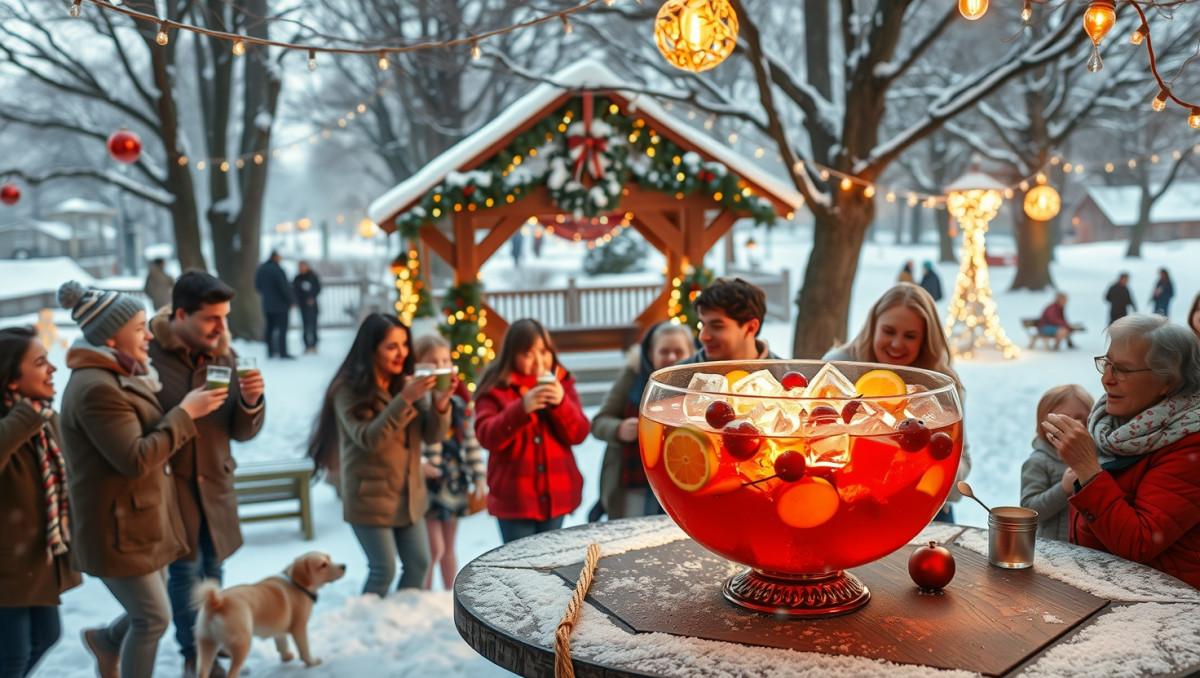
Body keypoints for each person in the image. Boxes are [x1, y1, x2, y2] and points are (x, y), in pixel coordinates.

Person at [56, 281, 225, 678]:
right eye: (138, 328)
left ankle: (106, 642)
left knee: (146, 610)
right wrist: (185, 413)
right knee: (152, 618)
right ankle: (110, 646)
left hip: (142, 520)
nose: (149, 334)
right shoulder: (97, 388)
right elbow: (134, 459)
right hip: (117, 528)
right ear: (111, 336)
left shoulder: (123, 374)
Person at [148, 272, 265, 678]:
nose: (221, 328)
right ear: (180, 315)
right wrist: (184, 410)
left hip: (215, 484)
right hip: (171, 486)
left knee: (213, 571)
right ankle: (192, 655)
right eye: (211, 319)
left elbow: (241, 431)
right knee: (184, 572)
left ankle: (211, 646)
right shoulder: (150, 357)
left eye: (225, 318)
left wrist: (251, 403)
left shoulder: (225, 356)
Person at [1042, 314, 1200, 589]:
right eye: (1106, 364)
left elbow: (1138, 543)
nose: (1106, 380)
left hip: (1166, 606)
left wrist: (1089, 470)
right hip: (1110, 592)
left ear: (1168, 382)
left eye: (1122, 370)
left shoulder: (1191, 444)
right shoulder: (1112, 423)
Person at [306, 313, 450, 596]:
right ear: (370, 349)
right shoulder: (347, 389)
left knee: (419, 563)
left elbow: (431, 435)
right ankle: (367, 626)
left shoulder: (404, 383)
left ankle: (397, 623)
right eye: (391, 346)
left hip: (409, 495)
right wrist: (405, 399)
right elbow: (369, 439)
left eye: (404, 345)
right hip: (369, 497)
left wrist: (441, 405)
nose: (401, 353)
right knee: (383, 569)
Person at [823, 282, 970, 523]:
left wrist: (931, 467)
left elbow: (962, 462)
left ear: (924, 340)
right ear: (873, 326)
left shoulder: (942, 384)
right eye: (889, 331)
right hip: (850, 506)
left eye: (910, 336)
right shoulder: (838, 368)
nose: (896, 344)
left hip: (923, 506)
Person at [0, 327, 82, 677]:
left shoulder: (44, 417)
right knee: (14, 656)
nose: (52, 369)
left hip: (37, 556)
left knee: (48, 636)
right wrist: (24, 417)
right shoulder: (25, 420)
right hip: (7, 566)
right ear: (11, 379)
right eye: (39, 362)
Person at [474, 319, 590, 543]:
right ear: (511, 355)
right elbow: (487, 435)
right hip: (515, 499)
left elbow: (579, 433)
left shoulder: (561, 383)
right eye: (528, 353)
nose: (538, 360)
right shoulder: (496, 388)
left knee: (550, 562)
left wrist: (561, 403)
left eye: (544, 351)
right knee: (521, 566)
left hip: (557, 493)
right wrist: (521, 409)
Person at [592, 322, 695, 521]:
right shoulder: (632, 377)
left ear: (690, 352)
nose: (672, 358)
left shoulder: (699, 384)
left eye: (678, 351)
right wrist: (619, 429)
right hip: (633, 484)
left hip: (682, 485)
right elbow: (599, 422)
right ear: (650, 353)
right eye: (664, 351)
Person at [413, 334, 484, 590]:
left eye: (445, 359)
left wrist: (478, 474)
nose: (440, 365)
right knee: (434, 548)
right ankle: (425, 596)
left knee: (449, 547)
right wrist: (420, 462)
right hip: (428, 482)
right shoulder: (416, 401)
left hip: (453, 479)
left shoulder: (458, 401)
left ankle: (449, 595)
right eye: (432, 362)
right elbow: (412, 440)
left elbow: (469, 440)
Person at [1020, 385, 1094, 542]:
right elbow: (1028, 510)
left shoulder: (1095, 461)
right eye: (1064, 418)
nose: (1072, 425)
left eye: (1080, 418)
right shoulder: (1038, 462)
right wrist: (1063, 489)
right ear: (1045, 423)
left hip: (1087, 551)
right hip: (1050, 552)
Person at [677, 277, 780, 364]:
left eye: (717, 326)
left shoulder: (786, 380)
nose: (703, 337)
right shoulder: (676, 381)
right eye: (702, 324)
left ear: (751, 327)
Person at [254, 250, 294, 359]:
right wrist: (291, 301)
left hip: (267, 304)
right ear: (275, 257)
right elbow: (283, 287)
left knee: (269, 328)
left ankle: (270, 351)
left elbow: (258, 286)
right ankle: (283, 352)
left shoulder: (261, 269)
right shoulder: (277, 270)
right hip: (281, 305)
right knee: (282, 329)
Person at [293, 261, 322, 355]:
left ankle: (314, 345)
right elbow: (294, 290)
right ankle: (306, 346)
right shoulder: (297, 278)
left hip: (313, 306)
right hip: (302, 306)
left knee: (313, 325)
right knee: (305, 326)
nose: (302, 268)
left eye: (303, 266)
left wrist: (312, 297)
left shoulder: (313, 276)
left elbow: (318, 288)